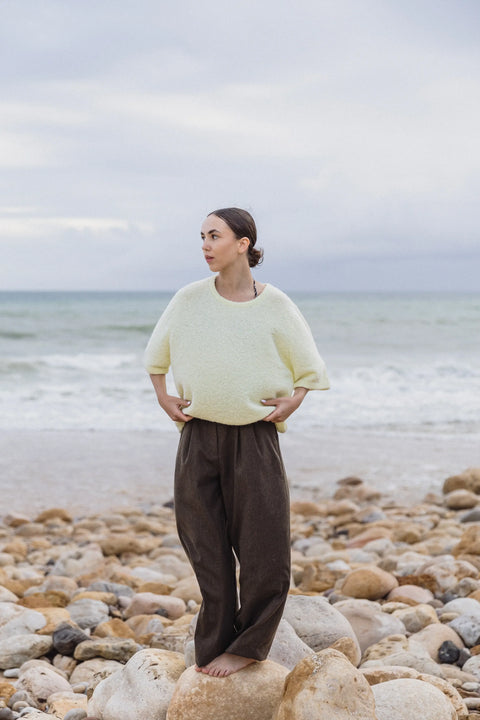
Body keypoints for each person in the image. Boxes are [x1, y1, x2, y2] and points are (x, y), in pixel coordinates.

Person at [144, 207, 329, 678]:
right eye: (202, 237)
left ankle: (250, 645)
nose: (205, 245)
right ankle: (215, 640)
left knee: (265, 543)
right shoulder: (188, 299)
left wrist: (294, 401)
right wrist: (164, 398)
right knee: (204, 542)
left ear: (243, 243)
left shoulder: (276, 304)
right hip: (199, 435)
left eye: (215, 236)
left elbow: (309, 366)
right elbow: (156, 355)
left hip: (255, 438)